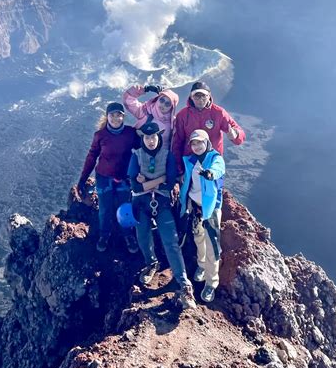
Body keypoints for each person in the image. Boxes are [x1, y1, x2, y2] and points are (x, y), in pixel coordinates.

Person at [128, 121, 196, 310]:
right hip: (141, 204)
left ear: (159, 137)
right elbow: (134, 185)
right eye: (147, 137)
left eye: (154, 137)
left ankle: (183, 283)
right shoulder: (136, 156)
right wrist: (159, 179)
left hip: (162, 203)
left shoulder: (168, 156)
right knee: (142, 236)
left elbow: (170, 181)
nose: (151, 141)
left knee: (170, 240)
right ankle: (151, 263)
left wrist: (147, 181)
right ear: (143, 138)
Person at [77, 102, 139, 254]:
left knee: (124, 208)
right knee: (105, 208)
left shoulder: (131, 133)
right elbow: (92, 157)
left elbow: (141, 152)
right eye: (112, 115)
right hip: (104, 177)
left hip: (124, 178)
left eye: (119, 115)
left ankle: (128, 235)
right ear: (107, 116)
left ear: (123, 116)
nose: (116, 118)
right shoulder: (100, 135)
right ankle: (104, 235)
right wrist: (82, 179)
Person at [179, 129, 225, 303]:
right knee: (198, 237)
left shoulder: (214, 158)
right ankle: (201, 265)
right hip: (195, 206)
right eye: (194, 143)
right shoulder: (190, 161)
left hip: (210, 208)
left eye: (200, 142)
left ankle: (211, 282)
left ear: (207, 143)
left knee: (212, 244)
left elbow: (218, 169)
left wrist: (210, 173)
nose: (197, 146)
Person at [172, 80, 245, 173]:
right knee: (189, 186)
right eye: (196, 96)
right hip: (190, 162)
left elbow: (239, 133)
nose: (200, 99)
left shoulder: (219, 113)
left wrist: (236, 135)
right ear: (191, 97)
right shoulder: (182, 115)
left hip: (212, 164)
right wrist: (179, 168)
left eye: (203, 95)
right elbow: (177, 141)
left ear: (209, 96)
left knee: (211, 186)